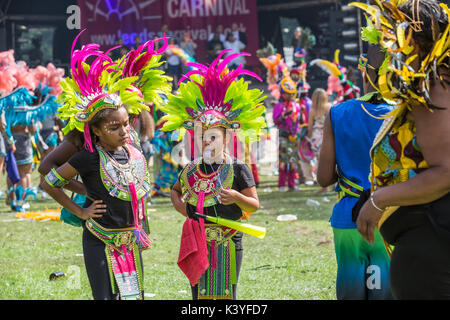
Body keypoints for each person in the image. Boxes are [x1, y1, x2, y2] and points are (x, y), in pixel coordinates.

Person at [40, 33, 171, 300]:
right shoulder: (85, 148)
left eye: (128, 121)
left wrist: (139, 226)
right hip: (101, 233)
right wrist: (85, 197)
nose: (125, 128)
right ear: (97, 129)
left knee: (134, 296)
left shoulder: (130, 142)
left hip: (129, 235)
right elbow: (48, 174)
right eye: (116, 125)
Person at [350, 0, 450, 299]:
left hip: (431, 240)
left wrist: (379, 200)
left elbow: (446, 172)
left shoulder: (435, 87)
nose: (385, 43)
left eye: (390, 34)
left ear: (413, 39)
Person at [159, 50, 265, 300]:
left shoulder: (239, 168)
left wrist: (237, 197)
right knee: (199, 296)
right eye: (202, 136)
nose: (208, 142)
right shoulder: (191, 169)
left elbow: (255, 205)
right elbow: (175, 190)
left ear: (227, 138)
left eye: (214, 136)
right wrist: (180, 206)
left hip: (229, 240)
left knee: (227, 296)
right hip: (197, 240)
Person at [317, 43, 394, 300]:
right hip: (390, 217)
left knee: (350, 288)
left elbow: (323, 178)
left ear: (363, 70)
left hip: (348, 217)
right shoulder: (405, 112)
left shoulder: (337, 112)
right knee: (386, 289)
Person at [272, 78, 301, 192]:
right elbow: (276, 121)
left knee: (293, 160)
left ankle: (292, 184)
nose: (290, 96)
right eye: (288, 94)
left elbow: (299, 120)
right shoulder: (279, 106)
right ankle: (282, 185)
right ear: (283, 94)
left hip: (294, 137)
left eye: (292, 94)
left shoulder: (296, 105)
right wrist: (283, 116)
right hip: (284, 136)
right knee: (284, 161)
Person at [308, 88, 331, 191]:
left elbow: (309, 127)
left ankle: (324, 186)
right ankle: (335, 184)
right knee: (332, 160)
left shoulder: (312, 111)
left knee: (319, 161)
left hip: (316, 137)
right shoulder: (329, 107)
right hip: (327, 135)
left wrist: (310, 137)